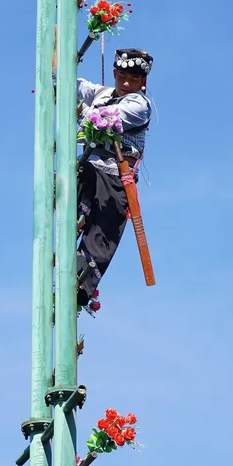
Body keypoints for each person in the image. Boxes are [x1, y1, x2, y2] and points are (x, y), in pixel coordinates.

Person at [53, 42, 153, 310]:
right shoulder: (101, 93)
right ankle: (71, 226)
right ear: (114, 74)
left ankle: (78, 290)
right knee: (70, 194)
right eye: (122, 77)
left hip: (114, 181)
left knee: (101, 237)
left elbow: (103, 120)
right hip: (89, 168)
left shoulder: (139, 105)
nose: (126, 84)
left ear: (142, 81)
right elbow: (65, 81)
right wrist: (55, 46)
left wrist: (79, 111)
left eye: (133, 79)